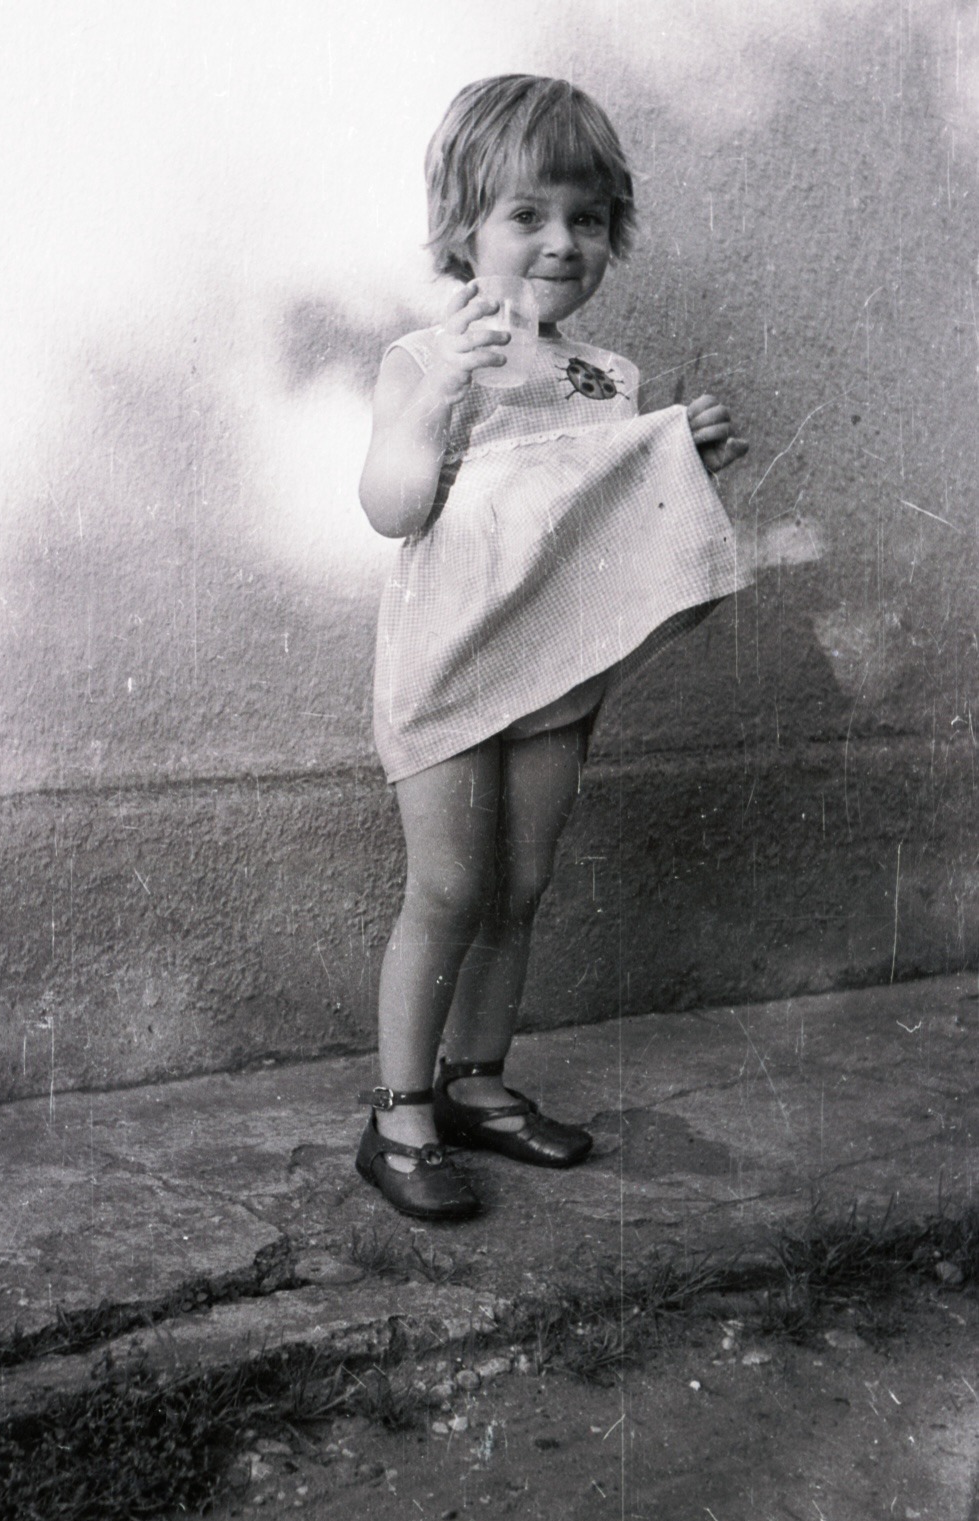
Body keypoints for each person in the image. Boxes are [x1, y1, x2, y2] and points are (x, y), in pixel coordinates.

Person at [356, 74, 750, 1220]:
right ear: (464, 229)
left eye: (586, 217)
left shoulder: (606, 379)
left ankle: (476, 1083)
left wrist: (680, 458)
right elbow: (389, 506)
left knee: (520, 885)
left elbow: (606, 527)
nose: (561, 242)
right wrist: (439, 396)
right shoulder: (423, 358)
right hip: (447, 668)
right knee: (448, 884)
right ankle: (399, 1113)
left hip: (553, 670)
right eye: (526, 215)